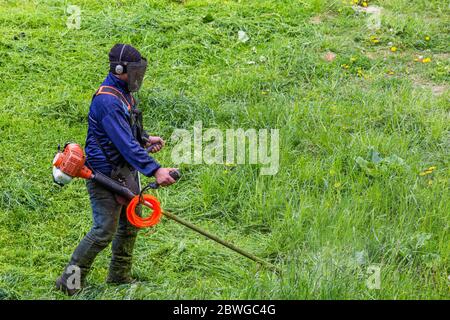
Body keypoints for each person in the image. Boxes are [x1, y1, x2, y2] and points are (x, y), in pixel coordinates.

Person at [56, 44, 177, 295]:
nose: (138, 77)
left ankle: (119, 277)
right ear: (119, 69)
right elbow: (123, 143)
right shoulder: (107, 101)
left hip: (124, 171)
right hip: (104, 174)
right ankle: (68, 283)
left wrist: (144, 139)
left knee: (129, 225)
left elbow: (126, 133)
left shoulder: (124, 94)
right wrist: (155, 170)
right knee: (103, 231)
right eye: (134, 72)